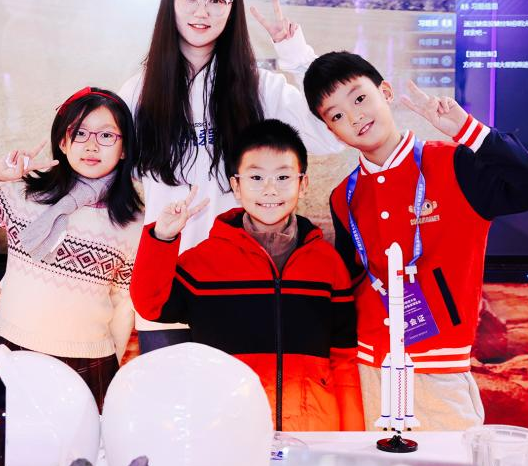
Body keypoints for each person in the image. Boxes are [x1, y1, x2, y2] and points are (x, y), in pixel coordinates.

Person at [305, 51, 528, 430]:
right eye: (336, 115)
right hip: (369, 371)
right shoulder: (344, 197)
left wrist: (468, 130)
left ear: (385, 92)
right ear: (331, 131)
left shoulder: (455, 165)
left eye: (359, 98)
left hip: (440, 373)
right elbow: (348, 285)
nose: (354, 117)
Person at [119, 0, 343, 351]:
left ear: (232, 8)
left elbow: (330, 135)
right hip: (163, 293)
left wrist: (297, 56)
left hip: (237, 289)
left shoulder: (260, 87)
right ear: (170, 1)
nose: (202, 11)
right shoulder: (139, 91)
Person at [132, 119, 363, 432]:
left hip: (313, 430)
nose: (270, 189)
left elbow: (344, 359)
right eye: (256, 177)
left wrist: (351, 440)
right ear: (236, 186)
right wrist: (162, 238)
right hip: (228, 430)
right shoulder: (204, 262)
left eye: (283, 177)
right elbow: (150, 305)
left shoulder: (327, 264)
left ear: (303, 183)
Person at [0, 87, 142, 408]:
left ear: (125, 147)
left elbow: (123, 301)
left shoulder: (132, 220)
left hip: (87, 359)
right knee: (2, 440)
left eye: (106, 135)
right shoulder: (26, 193)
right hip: (10, 348)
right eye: (79, 133)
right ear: (63, 141)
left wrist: (111, 363)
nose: (91, 145)